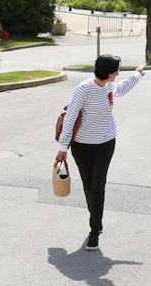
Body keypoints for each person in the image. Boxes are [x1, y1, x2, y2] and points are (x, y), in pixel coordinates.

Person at [55, 54, 145, 251]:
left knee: (98, 186)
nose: (118, 74)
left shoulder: (109, 86)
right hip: (82, 146)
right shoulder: (84, 90)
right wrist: (63, 148)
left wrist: (137, 75)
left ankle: (94, 231)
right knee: (89, 186)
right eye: (117, 71)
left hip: (106, 143)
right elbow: (70, 119)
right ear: (109, 73)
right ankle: (96, 217)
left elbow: (121, 89)